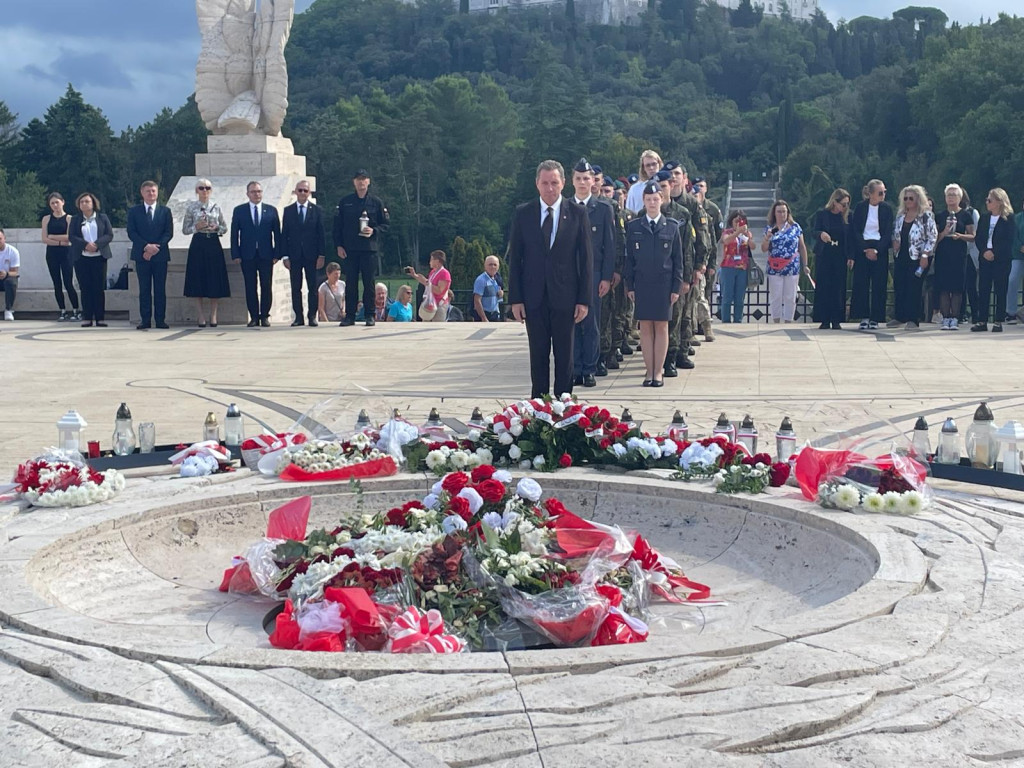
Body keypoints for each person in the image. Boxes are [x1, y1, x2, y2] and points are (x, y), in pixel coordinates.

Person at [508, 159, 594, 399]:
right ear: (537, 184)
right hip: (533, 296)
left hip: (565, 296)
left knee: (565, 355)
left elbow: (586, 260)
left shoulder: (577, 213)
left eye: (554, 183)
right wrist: (515, 299)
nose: (549, 188)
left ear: (563, 183)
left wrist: (584, 300)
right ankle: (539, 405)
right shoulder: (523, 213)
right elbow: (515, 259)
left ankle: (564, 405)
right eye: (545, 183)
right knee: (538, 353)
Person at [624, 182, 684, 387]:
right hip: (642, 283)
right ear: (643, 201)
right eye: (648, 199)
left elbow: (678, 261)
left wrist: (676, 287)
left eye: (655, 199)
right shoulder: (634, 227)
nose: (652, 203)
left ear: (662, 200)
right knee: (645, 328)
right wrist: (629, 285)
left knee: (661, 327)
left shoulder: (672, 226)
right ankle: (648, 372)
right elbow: (629, 260)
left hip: (663, 284)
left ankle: (658, 372)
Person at [569, 158, 615, 388]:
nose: (582, 182)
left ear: (593, 181)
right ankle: (575, 368)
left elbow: (610, 246)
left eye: (586, 178)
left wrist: (606, 277)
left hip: (595, 274)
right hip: (570, 275)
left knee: (591, 323)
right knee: (572, 323)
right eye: (578, 178)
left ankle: (589, 368)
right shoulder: (565, 207)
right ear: (572, 181)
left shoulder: (604, 208)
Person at [335, 169, 389, 327]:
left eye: (364, 179)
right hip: (350, 249)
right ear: (354, 182)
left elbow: (385, 224)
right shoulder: (345, 202)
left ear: (368, 182)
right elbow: (337, 226)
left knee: (369, 282)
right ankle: (350, 315)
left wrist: (374, 231)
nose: (361, 182)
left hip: (368, 248)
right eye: (358, 179)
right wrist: (338, 245)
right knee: (350, 282)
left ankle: (369, 315)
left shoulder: (376, 202)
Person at [657, 172, 695, 375]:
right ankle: (655, 361)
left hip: (675, 274)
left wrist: (686, 277)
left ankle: (671, 358)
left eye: (663, 186)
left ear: (671, 186)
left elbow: (688, 248)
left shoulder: (682, 214)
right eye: (656, 186)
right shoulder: (643, 215)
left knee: (676, 317)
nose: (660, 191)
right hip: (652, 277)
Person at [230, 181, 280, 327]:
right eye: (253, 192)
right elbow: (234, 234)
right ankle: (253, 316)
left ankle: (264, 315)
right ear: (247, 194)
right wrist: (236, 254)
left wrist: (277, 253)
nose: (256, 194)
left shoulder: (271, 210)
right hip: (247, 255)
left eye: (259, 191)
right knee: (250, 286)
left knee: (266, 285)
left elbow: (277, 234)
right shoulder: (239, 210)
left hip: (266, 255)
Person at [182, 178, 230, 327]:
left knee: (214, 279)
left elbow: (224, 227)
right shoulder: (191, 208)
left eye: (207, 188)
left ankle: (213, 315)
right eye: (201, 188)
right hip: (198, 243)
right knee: (198, 279)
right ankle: (201, 315)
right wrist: (197, 226)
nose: (205, 191)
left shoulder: (216, 207)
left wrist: (216, 228)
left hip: (213, 243)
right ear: (197, 191)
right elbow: (185, 229)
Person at [127, 180, 174, 330]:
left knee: (160, 289)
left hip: (160, 255)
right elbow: (132, 232)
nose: (151, 193)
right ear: (142, 193)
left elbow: (168, 233)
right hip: (142, 255)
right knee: (144, 289)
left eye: (153, 191)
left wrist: (155, 248)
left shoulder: (165, 211)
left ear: (157, 192)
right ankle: (145, 320)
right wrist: (146, 247)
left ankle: (160, 320)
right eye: (148, 191)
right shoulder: (134, 211)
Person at [890, 185, 937, 329]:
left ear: (918, 199)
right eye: (905, 198)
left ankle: (913, 318)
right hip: (901, 255)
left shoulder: (925, 216)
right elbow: (895, 233)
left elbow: (932, 236)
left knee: (914, 287)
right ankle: (899, 316)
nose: (908, 201)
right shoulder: (900, 216)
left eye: (911, 198)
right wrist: (894, 241)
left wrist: (925, 255)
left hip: (918, 257)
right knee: (900, 285)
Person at [281, 180, 326, 326]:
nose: (302, 193)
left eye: (305, 191)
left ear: (309, 193)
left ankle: (312, 315)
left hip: (311, 255)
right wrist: (285, 256)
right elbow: (284, 235)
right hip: (294, 255)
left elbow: (321, 234)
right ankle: (298, 317)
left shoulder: (317, 210)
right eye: (300, 190)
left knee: (312, 286)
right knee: (296, 287)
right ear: (295, 192)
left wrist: (321, 255)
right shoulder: (288, 211)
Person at [850, 180, 893, 330]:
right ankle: (864, 316)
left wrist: (878, 250)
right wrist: (864, 249)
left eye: (884, 192)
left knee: (879, 284)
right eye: (880, 193)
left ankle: (876, 317)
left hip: (879, 248)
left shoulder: (887, 209)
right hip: (863, 248)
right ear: (871, 194)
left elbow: (888, 232)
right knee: (861, 283)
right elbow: (855, 230)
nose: (883, 195)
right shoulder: (861, 208)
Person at [971, 188, 1014, 333]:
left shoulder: (1008, 219)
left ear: (999, 202)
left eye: (990, 200)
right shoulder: (984, 218)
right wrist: (984, 251)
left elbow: (1008, 240)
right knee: (983, 288)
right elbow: (979, 238)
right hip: (985, 258)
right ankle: (982, 320)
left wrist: (994, 252)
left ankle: (998, 320)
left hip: (1001, 259)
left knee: (1000, 289)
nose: (987, 203)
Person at [933, 184, 975, 331]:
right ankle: (945, 318)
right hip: (943, 254)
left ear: (960, 197)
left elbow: (973, 236)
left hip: (959, 254)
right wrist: (944, 232)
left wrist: (961, 236)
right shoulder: (940, 215)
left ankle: (955, 318)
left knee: (957, 288)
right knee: (944, 287)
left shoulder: (966, 215)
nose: (951, 197)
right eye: (948, 194)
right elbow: (934, 239)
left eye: (954, 194)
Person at [810, 189, 852, 330]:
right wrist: (821, 234)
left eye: (847, 204)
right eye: (843, 204)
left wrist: (850, 256)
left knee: (838, 287)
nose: (845, 207)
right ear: (835, 202)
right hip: (825, 254)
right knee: (824, 286)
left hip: (840, 254)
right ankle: (824, 319)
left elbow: (850, 236)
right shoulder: (822, 214)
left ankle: (836, 319)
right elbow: (814, 231)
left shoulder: (847, 217)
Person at [69, 192, 113, 328]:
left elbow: (109, 234)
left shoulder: (102, 218)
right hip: (82, 258)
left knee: (98, 288)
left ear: (93, 203)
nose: (84, 204)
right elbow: (72, 236)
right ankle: (87, 317)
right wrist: (85, 245)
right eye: (82, 202)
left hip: (99, 257)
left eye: (87, 201)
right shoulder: (75, 220)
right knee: (85, 288)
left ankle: (100, 318)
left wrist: (96, 245)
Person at [761, 200, 807, 323]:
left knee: (790, 296)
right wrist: (767, 238)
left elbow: (802, 247)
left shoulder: (795, 227)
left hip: (792, 266)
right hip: (774, 266)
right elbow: (764, 249)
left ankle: (788, 321)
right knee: (776, 296)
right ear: (774, 213)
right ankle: (776, 321)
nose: (782, 214)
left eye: (784, 211)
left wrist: (805, 264)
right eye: (779, 211)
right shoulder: (769, 228)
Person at [40, 193, 79, 321]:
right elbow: (44, 238)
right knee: (57, 283)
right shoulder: (46, 219)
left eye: (57, 202)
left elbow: (69, 237)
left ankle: (75, 309)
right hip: (52, 253)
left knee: (68, 282)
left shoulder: (69, 219)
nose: (55, 205)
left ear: (63, 202)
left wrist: (53, 236)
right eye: (52, 203)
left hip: (66, 253)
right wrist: (58, 241)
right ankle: (62, 310)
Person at [718, 210, 752, 324]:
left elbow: (753, 246)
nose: (738, 223)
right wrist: (737, 232)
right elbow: (726, 241)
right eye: (736, 220)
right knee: (727, 296)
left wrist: (746, 236)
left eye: (741, 221)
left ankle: (738, 320)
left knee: (739, 297)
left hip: (742, 267)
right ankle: (726, 320)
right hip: (728, 267)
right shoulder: (727, 232)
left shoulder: (746, 234)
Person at [407, 250, 451, 322]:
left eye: (431, 259)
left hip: (439, 305)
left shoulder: (444, 274)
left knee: (436, 328)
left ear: (437, 261)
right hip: (429, 304)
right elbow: (426, 283)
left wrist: (426, 282)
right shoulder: (433, 272)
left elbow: (439, 291)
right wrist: (414, 275)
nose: (429, 262)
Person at [473, 255, 504, 322]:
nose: (493, 267)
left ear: (498, 266)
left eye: (495, 265)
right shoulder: (481, 280)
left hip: (495, 314)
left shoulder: (497, 279)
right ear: (485, 266)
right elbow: (477, 300)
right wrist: (483, 318)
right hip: (485, 315)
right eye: (490, 264)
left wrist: (501, 293)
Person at [0, 229, 20, 321]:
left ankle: (8, 310)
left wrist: (6, 273)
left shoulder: (12, 251)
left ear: (4, 238)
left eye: (0, 238)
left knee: (11, 281)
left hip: (7, 278)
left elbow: (15, 272)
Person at [1010, 196, 1024, 324]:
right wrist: (1020, 246)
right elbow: (1013, 236)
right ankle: (1011, 312)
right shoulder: (1017, 218)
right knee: (1012, 279)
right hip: (1018, 255)